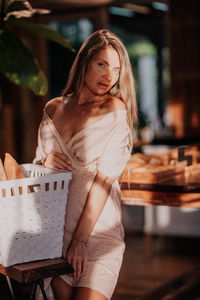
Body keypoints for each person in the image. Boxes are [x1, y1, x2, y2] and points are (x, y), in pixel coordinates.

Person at [33, 29, 137, 300]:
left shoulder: (115, 111)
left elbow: (103, 181)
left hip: (99, 237)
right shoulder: (53, 108)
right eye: (101, 64)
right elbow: (36, 171)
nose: (109, 76)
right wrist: (45, 160)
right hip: (57, 238)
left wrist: (80, 241)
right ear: (84, 62)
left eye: (116, 69)